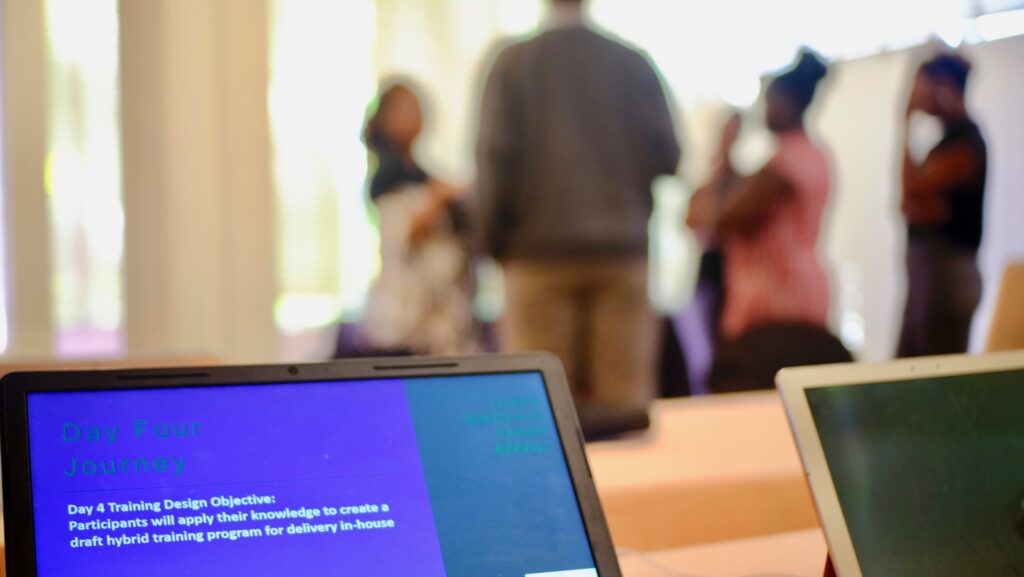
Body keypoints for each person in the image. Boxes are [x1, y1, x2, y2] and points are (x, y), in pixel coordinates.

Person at [475, 0, 680, 416]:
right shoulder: (631, 63)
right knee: (624, 411)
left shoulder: (514, 63)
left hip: (537, 257)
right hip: (620, 254)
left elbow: (495, 162)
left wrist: (494, 246)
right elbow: (668, 156)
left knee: (539, 416)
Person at [691, 50, 844, 391]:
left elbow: (725, 217)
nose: (765, 109)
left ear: (789, 102)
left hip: (776, 305)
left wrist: (724, 162)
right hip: (791, 296)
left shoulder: (785, 164)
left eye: (770, 100)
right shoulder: (809, 156)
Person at [358, 81, 476, 356]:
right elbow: (403, 234)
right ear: (386, 117)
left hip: (444, 312)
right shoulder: (386, 177)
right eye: (407, 108)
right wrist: (439, 196)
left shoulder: (425, 174)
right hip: (407, 316)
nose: (417, 115)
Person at [898, 53, 987, 358]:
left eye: (923, 85)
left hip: (946, 278)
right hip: (933, 275)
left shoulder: (966, 144)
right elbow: (910, 200)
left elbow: (910, 191)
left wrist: (905, 121)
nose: (917, 94)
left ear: (945, 87)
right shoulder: (948, 144)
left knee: (930, 374)